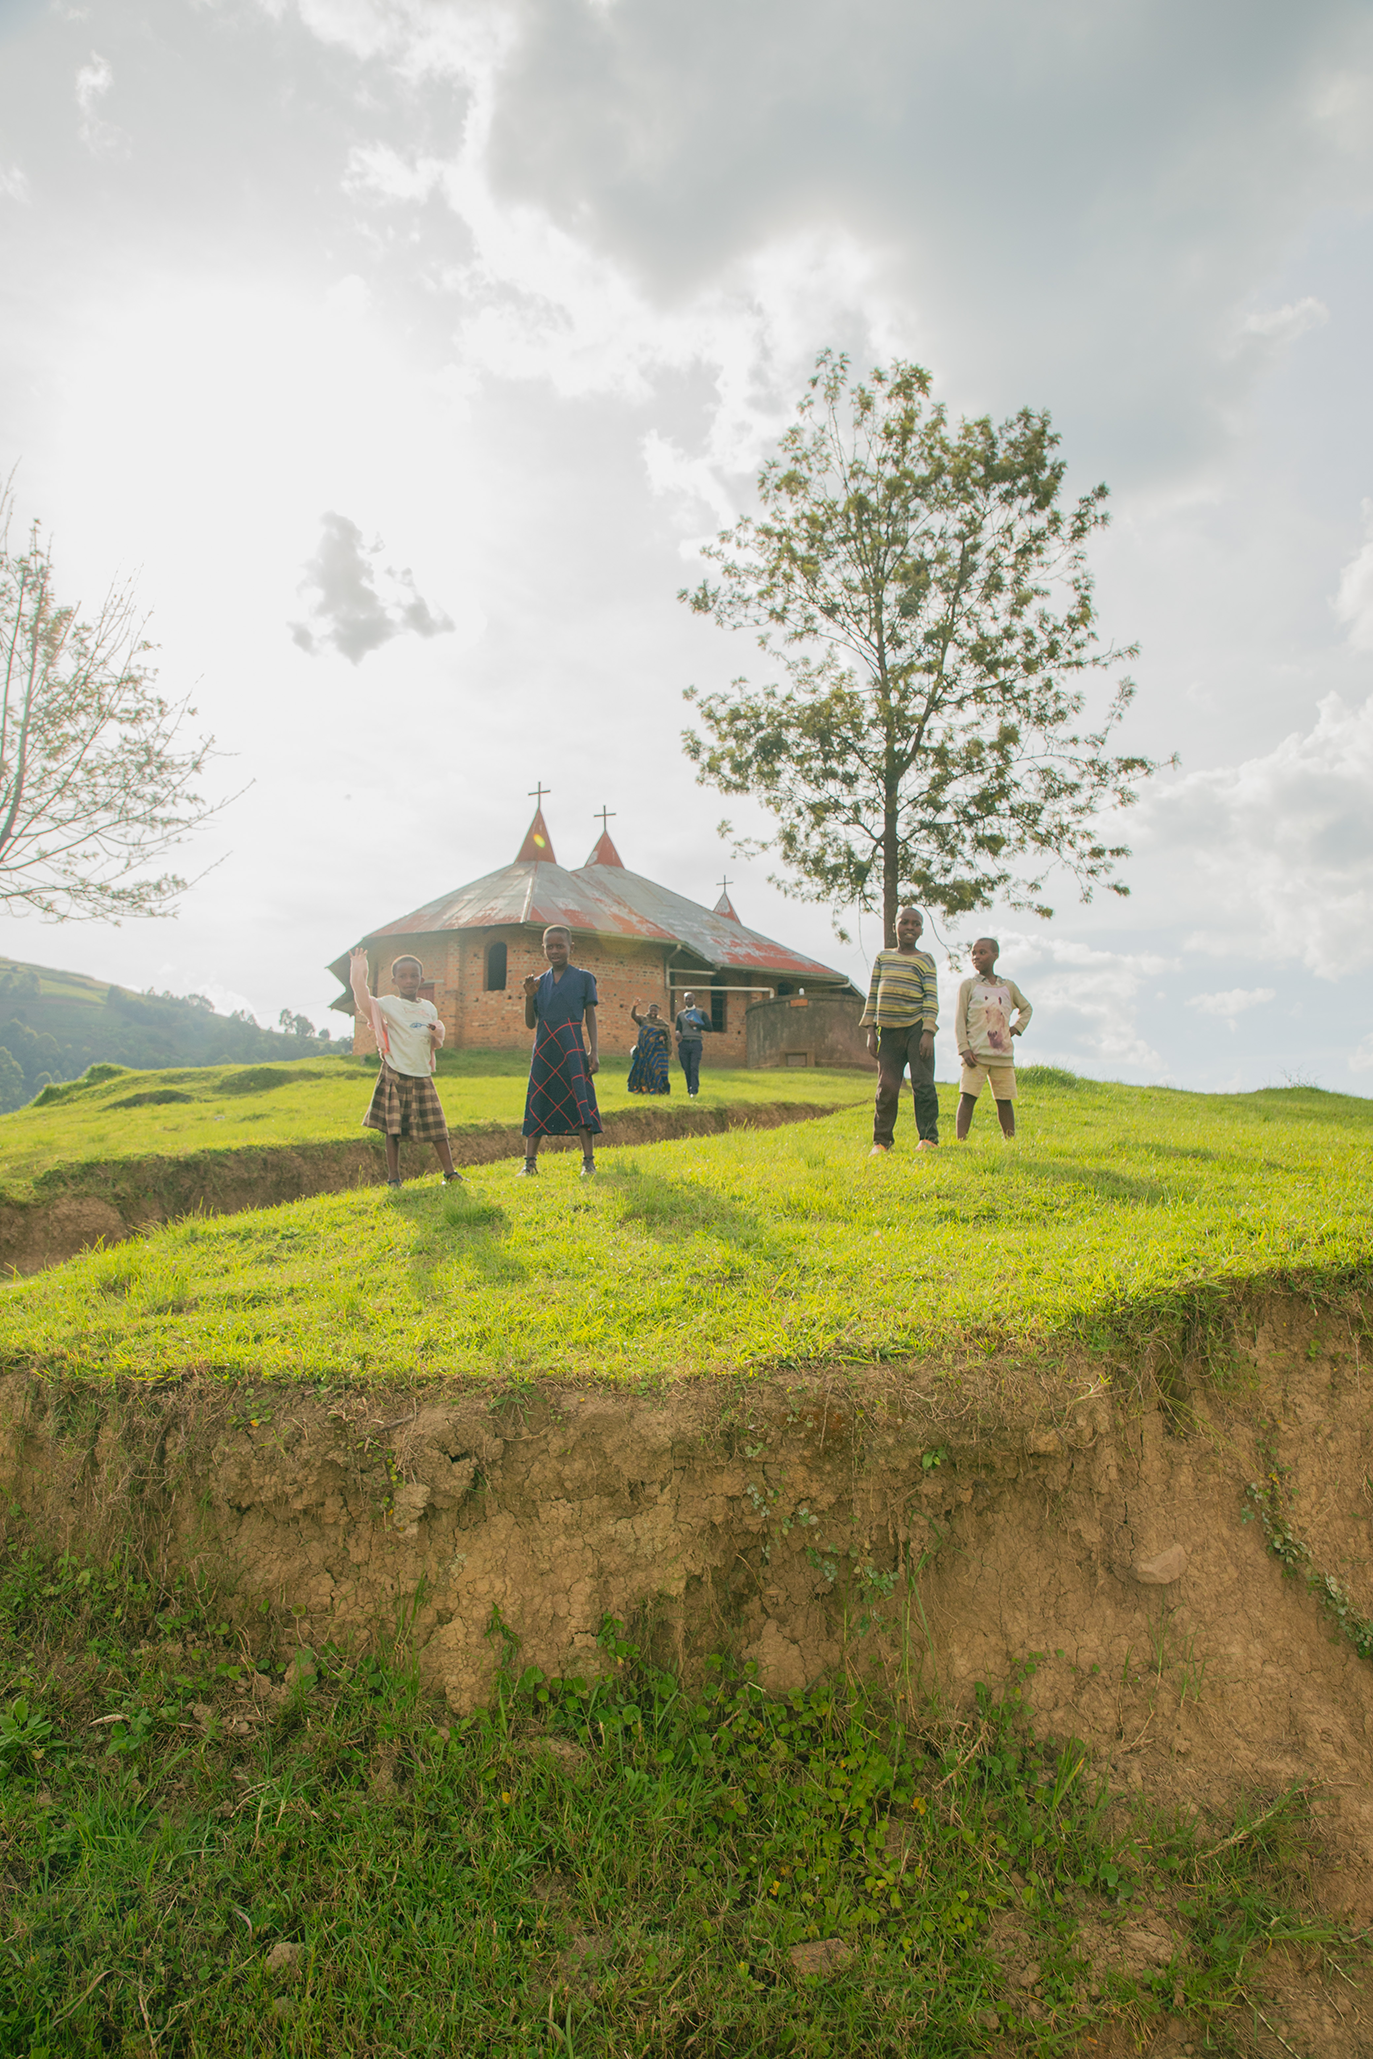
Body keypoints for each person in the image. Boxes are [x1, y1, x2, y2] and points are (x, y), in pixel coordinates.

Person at [350, 948, 460, 1187]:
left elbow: (433, 1039)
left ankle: (450, 1173)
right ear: (395, 981)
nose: (409, 981)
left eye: (413, 976)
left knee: (437, 1126)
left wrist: (437, 1033)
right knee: (393, 1128)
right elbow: (362, 1000)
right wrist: (359, 969)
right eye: (403, 976)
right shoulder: (389, 1004)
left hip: (421, 1073)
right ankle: (393, 1177)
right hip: (396, 1073)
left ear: (422, 979)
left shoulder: (429, 1008)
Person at [521, 926, 602, 1176]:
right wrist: (528, 997)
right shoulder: (538, 983)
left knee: (580, 1098)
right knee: (538, 1097)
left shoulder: (583, 978)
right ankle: (529, 1163)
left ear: (571, 947)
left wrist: (594, 1051)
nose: (555, 951)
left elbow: (590, 1016)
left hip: (572, 1045)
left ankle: (588, 1162)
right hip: (545, 1047)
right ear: (543, 948)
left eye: (560, 946)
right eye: (550, 946)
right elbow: (530, 1023)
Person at [860, 905, 940, 1156]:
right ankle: (881, 1142)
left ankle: (928, 1138)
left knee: (923, 1084)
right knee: (886, 1087)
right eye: (904, 922)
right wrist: (871, 1030)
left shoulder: (925, 959)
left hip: (917, 1030)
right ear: (895, 925)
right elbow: (873, 994)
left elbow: (930, 997)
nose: (909, 927)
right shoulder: (884, 957)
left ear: (921, 930)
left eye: (915, 924)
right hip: (889, 1033)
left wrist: (928, 1032)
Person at [954, 937, 1032, 1141]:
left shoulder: (1008, 987)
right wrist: (964, 1048)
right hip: (976, 1056)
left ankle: (1011, 1142)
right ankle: (961, 1141)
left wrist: (1016, 1028)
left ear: (995, 955)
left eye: (982, 952)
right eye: (973, 953)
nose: (976, 957)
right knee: (968, 1097)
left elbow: (1026, 1008)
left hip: (1002, 1056)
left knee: (1004, 1100)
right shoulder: (969, 986)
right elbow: (960, 1019)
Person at [674, 989, 714, 1098]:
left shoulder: (701, 1013)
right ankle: (689, 1087)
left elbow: (710, 1028)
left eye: (690, 998)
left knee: (693, 1067)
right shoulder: (680, 1015)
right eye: (686, 999)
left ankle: (694, 1091)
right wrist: (677, 1033)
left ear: (694, 1000)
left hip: (696, 1043)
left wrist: (697, 1024)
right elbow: (678, 1028)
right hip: (684, 1043)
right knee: (686, 1068)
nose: (688, 1000)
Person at [628, 1000, 671, 1095]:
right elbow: (634, 1017)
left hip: (657, 1051)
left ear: (658, 1012)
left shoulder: (662, 1024)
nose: (653, 1013)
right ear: (648, 1011)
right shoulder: (644, 1020)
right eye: (651, 1011)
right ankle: (644, 1090)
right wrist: (634, 1007)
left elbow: (667, 1037)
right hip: (643, 1052)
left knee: (657, 1069)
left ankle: (659, 1090)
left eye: (655, 1011)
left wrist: (663, 1037)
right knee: (644, 1070)